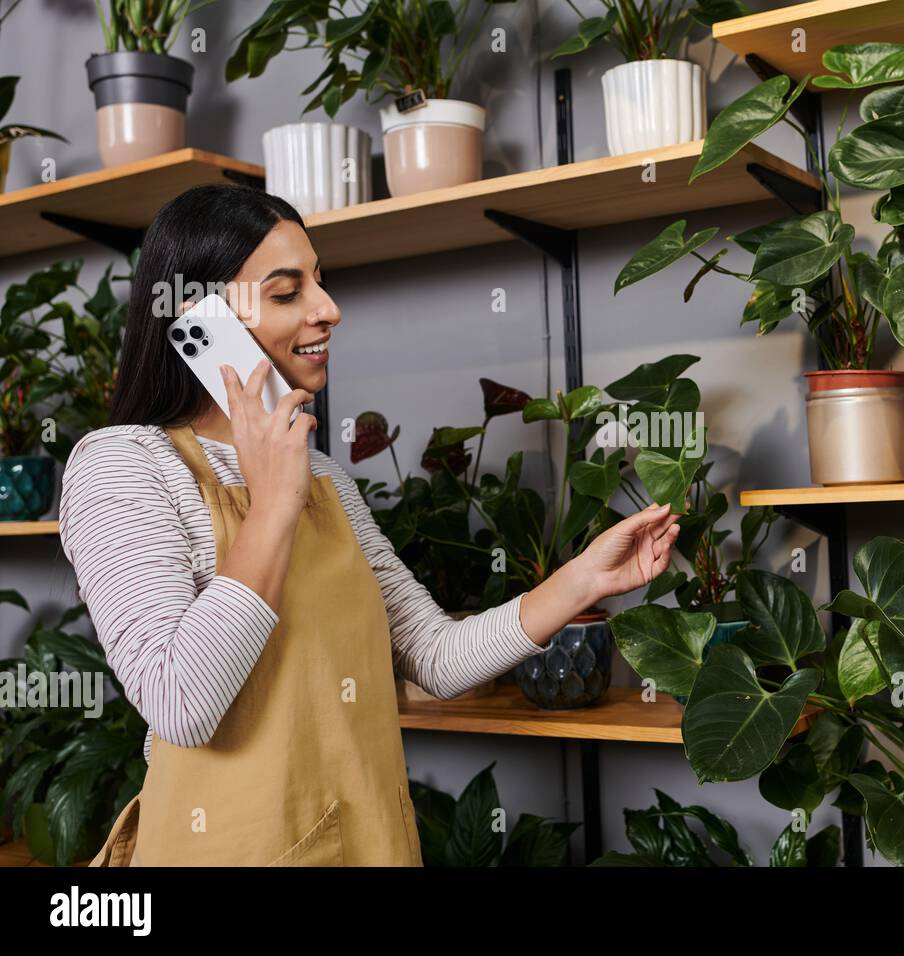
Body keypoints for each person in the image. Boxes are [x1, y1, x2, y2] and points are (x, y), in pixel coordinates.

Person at [59, 184, 681, 866]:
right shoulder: (122, 466)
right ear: (199, 320)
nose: (329, 311)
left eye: (320, 284)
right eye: (287, 291)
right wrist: (272, 504)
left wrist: (584, 577)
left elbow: (436, 658)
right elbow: (182, 704)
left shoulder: (326, 478)